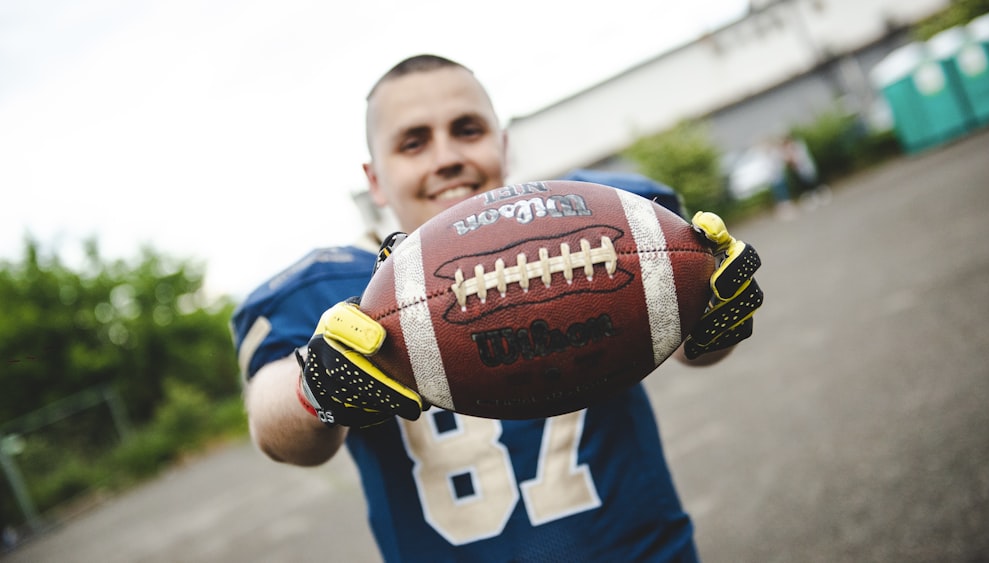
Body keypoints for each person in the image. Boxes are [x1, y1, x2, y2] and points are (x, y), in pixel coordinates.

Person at [231, 54, 763, 561]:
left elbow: (693, 352)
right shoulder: (332, 287)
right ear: (375, 179)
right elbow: (276, 431)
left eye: (468, 130)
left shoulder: (600, 220)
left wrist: (718, 321)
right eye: (414, 143)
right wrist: (315, 389)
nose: (447, 158)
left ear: (503, 145)